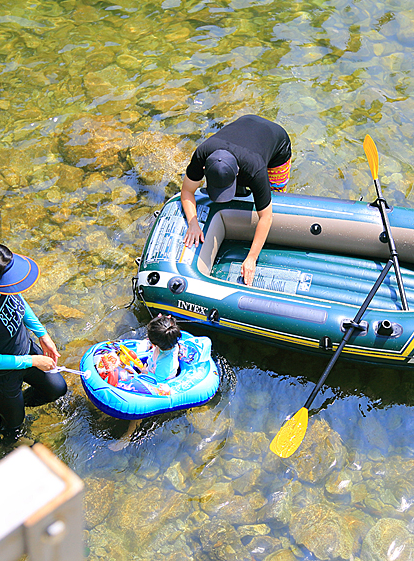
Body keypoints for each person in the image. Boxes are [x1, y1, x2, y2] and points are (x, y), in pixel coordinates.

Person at [0, 242, 67, 446]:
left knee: (56, 389)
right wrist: (34, 361)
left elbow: (20, 303)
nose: (12, 283)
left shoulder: (2, 285)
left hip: (24, 350)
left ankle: (17, 403)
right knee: (14, 424)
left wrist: (43, 335)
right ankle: (7, 445)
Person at [181, 114, 292, 286]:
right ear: (204, 169)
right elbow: (187, 191)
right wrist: (193, 222)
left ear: (238, 171)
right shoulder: (202, 154)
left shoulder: (255, 169)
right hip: (244, 124)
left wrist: (251, 258)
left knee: (275, 192)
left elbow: (266, 217)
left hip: (276, 140)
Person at [109, 314, 182, 451]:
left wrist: (140, 373)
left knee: (137, 413)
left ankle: (128, 436)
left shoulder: (166, 364)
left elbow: (156, 384)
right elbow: (165, 330)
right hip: (151, 367)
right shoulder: (169, 339)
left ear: (157, 344)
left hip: (158, 380)